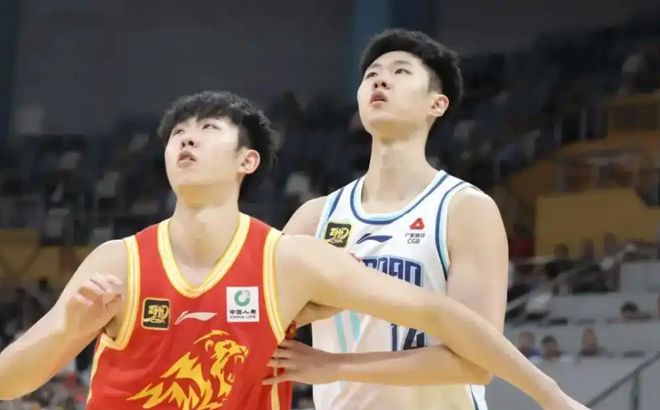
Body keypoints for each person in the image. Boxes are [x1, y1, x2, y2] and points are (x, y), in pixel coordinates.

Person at [0, 91, 585, 410]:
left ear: (247, 161)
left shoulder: (288, 261)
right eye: (178, 133)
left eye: (207, 130)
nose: (187, 139)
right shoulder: (117, 262)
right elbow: (8, 381)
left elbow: (445, 315)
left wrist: (554, 398)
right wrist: (68, 329)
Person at [272, 29, 530, 410]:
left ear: (436, 104)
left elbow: (477, 363)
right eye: (371, 74)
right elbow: (256, 321)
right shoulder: (314, 217)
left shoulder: (465, 209)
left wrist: (336, 365)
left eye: (400, 71)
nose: (380, 80)